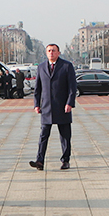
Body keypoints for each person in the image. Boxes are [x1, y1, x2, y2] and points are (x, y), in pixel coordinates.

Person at [30, 43, 76, 171]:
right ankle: (40, 161)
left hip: (63, 107)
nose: (51, 53)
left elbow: (72, 87)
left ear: (58, 53)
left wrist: (70, 103)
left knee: (65, 136)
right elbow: (37, 89)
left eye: (54, 51)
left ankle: (65, 160)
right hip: (46, 108)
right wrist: (36, 104)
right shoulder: (41, 67)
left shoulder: (67, 66)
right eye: (49, 51)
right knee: (43, 135)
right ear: (46, 53)